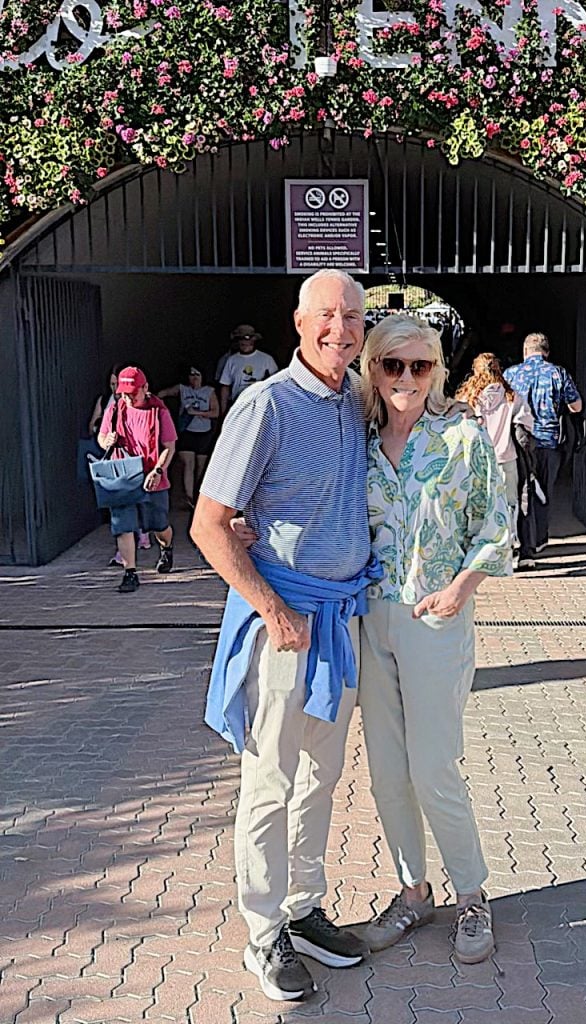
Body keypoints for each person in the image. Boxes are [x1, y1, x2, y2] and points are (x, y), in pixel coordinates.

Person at [190, 270, 376, 1003]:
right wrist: (271, 608)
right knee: (268, 780)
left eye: (353, 316)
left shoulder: (356, 402)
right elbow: (210, 524)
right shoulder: (263, 407)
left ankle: (304, 909)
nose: (341, 328)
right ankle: (263, 931)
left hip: (339, 619)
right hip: (286, 627)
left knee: (322, 777)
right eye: (326, 315)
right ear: (298, 324)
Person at [357, 316, 511, 964]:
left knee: (432, 766)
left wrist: (459, 591)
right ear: (374, 369)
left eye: (421, 367)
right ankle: (412, 892)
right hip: (370, 618)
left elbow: (496, 525)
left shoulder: (461, 436)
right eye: (394, 365)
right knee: (388, 771)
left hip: (434, 618)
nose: (408, 379)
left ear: (438, 372)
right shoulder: (357, 442)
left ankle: (471, 894)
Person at [97, 366, 177, 593]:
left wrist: (159, 471)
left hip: (152, 476)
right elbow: (102, 438)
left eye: (133, 393)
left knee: (158, 525)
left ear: (145, 388)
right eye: (124, 393)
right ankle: (130, 572)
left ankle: (167, 547)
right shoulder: (114, 410)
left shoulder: (159, 411)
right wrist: (107, 441)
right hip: (123, 476)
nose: (128, 398)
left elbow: (169, 447)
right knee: (123, 526)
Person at [455, 352, 536, 568]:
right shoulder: (511, 396)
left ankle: (480, 550)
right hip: (506, 456)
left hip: (476, 459)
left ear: (476, 370)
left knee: (477, 504)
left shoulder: (467, 397)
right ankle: (509, 547)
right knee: (510, 504)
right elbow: (527, 422)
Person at [503, 332, 582, 552]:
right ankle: (539, 539)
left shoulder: (511, 374)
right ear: (546, 351)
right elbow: (576, 406)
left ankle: (520, 538)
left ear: (525, 351)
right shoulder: (558, 374)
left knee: (520, 491)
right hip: (548, 442)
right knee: (543, 492)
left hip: (519, 442)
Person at [157, 367, 219, 508]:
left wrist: (197, 413)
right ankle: (189, 497)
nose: (194, 377)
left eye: (197, 374)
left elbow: (216, 412)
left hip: (204, 432)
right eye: (191, 375)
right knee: (188, 465)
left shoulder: (209, 391)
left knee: (201, 467)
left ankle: (199, 496)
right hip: (187, 431)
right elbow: (161, 394)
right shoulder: (182, 389)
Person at [218, 325, 278, 415]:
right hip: (238, 406)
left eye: (248, 339)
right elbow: (225, 386)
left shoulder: (266, 359)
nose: (245, 342)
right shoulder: (232, 360)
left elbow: (277, 383)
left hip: (260, 407)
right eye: (242, 339)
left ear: (253, 340)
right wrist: (223, 412)